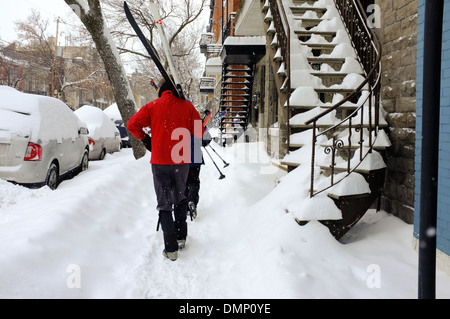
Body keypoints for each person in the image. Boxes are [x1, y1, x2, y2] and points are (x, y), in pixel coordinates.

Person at [127, 78, 203, 261]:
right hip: (181, 160)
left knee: (164, 202)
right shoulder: (186, 106)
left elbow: (132, 125)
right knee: (180, 197)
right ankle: (181, 237)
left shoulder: (152, 106)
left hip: (160, 160)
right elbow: (199, 131)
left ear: (161, 90)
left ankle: (170, 248)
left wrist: (147, 140)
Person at [185, 129, 211, 219]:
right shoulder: (198, 123)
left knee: (183, 182)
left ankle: (184, 206)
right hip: (195, 157)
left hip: (180, 156)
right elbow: (206, 139)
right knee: (194, 181)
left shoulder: (179, 120)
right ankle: (191, 200)